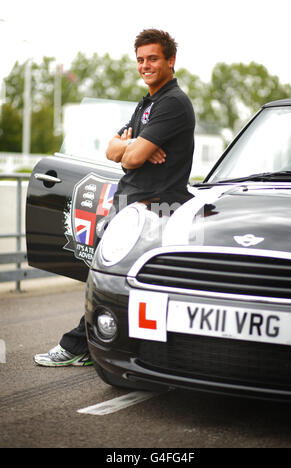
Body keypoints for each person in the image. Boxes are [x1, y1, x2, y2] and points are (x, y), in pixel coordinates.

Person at [34, 28, 195, 367]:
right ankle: (98, 344)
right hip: (129, 203)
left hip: (152, 208)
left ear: (170, 60)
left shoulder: (174, 104)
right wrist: (132, 146)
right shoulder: (147, 103)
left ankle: (82, 345)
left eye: (153, 58)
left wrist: (135, 149)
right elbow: (113, 150)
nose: (145, 65)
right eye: (140, 60)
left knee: (110, 280)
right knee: (110, 279)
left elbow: (133, 158)